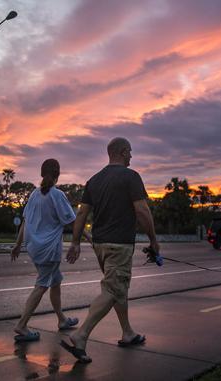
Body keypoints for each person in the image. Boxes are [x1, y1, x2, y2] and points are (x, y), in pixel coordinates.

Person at [60, 137, 159, 363]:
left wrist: (75, 242)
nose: (132, 157)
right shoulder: (131, 177)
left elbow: (82, 214)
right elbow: (143, 211)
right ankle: (81, 335)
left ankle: (127, 332)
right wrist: (153, 240)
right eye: (130, 152)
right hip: (119, 244)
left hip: (100, 245)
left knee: (117, 287)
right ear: (123, 152)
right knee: (113, 289)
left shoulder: (94, 180)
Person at [11, 158, 84, 342]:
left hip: (34, 247)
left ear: (42, 173)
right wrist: (86, 240)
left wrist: (18, 244)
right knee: (42, 285)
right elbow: (73, 221)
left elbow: (26, 222)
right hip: (48, 250)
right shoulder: (57, 195)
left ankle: (62, 320)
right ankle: (22, 325)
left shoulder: (34, 194)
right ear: (58, 175)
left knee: (56, 280)